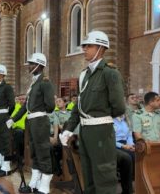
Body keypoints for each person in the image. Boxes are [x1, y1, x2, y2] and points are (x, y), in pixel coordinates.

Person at [59, 30, 126, 194]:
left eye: (88, 45)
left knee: (104, 176)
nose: (85, 49)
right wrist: (68, 129)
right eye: (84, 46)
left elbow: (119, 108)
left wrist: (100, 117)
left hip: (101, 131)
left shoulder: (110, 74)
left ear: (101, 48)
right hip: (85, 131)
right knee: (88, 175)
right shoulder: (84, 75)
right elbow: (78, 107)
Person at [9, 53, 55, 194]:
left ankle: (45, 185)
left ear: (39, 65)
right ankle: (35, 182)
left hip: (40, 122)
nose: (28, 66)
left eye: (31, 64)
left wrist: (39, 113)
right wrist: (13, 119)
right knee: (34, 152)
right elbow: (25, 107)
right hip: (32, 122)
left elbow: (51, 106)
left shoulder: (45, 82)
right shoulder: (34, 83)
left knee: (43, 152)